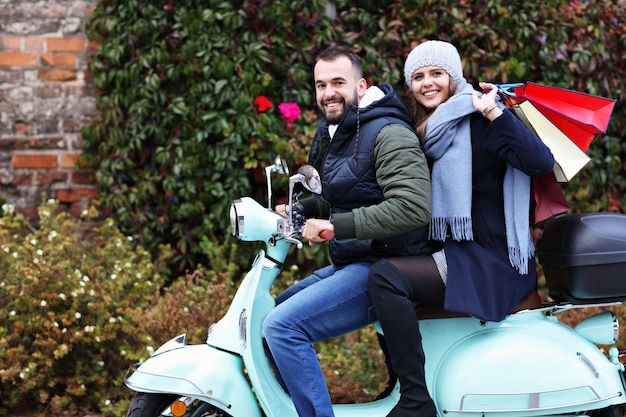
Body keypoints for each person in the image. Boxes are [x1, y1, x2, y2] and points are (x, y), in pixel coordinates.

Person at [367, 40, 555, 417]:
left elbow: (539, 161)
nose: (427, 83)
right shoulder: (427, 131)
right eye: (418, 76)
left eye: (436, 73)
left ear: (454, 77)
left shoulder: (481, 117)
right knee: (374, 285)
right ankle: (404, 387)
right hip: (459, 254)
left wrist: (496, 116)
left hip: (495, 262)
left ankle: (416, 403)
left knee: (386, 279)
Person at [262, 44, 436, 417]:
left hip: (387, 268)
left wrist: (335, 226)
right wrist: (295, 210)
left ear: (361, 85)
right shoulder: (334, 132)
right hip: (354, 260)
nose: (329, 93)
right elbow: (342, 195)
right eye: (321, 85)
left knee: (282, 327)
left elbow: (413, 207)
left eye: (338, 82)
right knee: (268, 316)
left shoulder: (389, 133)